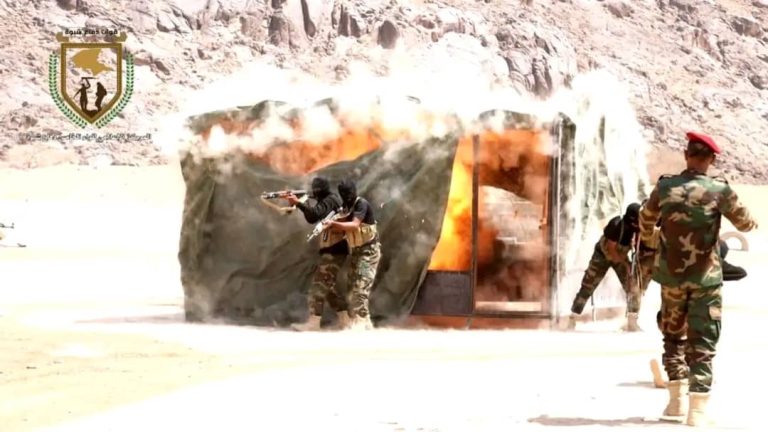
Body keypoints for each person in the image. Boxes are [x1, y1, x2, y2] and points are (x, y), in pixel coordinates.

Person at [639, 131, 757, 426]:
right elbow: (745, 223)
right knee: (703, 341)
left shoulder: (665, 186)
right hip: (706, 281)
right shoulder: (719, 190)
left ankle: (675, 403)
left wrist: (651, 240)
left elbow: (645, 219)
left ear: (686, 155)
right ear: (712, 159)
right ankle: (697, 411)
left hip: (671, 279)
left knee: (673, 338)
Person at [649, 238, 747, 389]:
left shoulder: (675, 256)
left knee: (675, 341)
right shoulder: (712, 264)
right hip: (696, 317)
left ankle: (677, 375)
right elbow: (741, 273)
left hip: (670, 315)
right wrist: (718, 267)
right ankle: (692, 376)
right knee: (699, 341)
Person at [568, 202, 647, 331]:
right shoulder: (616, 225)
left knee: (633, 288)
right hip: (602, 257)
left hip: (620, 257)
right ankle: (572, 319)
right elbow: (611, 250)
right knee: (587, 287)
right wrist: (625, 265)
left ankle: (632, 322)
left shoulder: (637, 229)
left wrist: (631, 265)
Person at [287, 177, 350, 331]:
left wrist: (299, 203)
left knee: (319, 286)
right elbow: (311, 217)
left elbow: (315, 214)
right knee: (329, 287)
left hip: (335, 249)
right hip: (333, 249)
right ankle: (346, 320)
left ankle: (314, 323)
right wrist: (301, 203)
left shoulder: (331, 200)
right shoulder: (330, 200)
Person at [323, 179, 381, 330]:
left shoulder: (361, 204)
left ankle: (362, 322)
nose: (347, 196)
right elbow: (343, 218)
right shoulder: (346, 207)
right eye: (344, 193)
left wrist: (333, 224)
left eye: (349, 193)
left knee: (360, 287)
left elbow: (354, 225)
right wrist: (329, 221)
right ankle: (359, 320)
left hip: (368, 253)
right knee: (351, 290)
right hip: (356, 253)